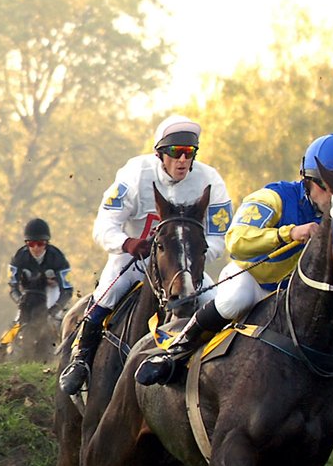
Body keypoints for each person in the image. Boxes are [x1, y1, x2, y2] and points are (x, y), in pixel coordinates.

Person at [134, 133, 333, 386]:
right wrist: (290, 233)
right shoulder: (273, 197)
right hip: (252, 281)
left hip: (293, 294)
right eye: (327, 187)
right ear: (308, 180)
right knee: (233, 301)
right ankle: (174, 352)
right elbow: (236, 241)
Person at [58, 114, 233, 395]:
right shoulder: (135, 174)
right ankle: (81, 360)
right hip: (135, 260)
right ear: (159, 153)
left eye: (189, 154)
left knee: (221, 304)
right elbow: (103, 226)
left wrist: (191, 257)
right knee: (108, 292)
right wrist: (127, 243)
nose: (183, 161)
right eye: (176, 153)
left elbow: (218, 238)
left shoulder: (210, 179)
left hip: (183, 266)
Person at [8, 217, 73, 322]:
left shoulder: (58, 258)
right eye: (31, 244)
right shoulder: (18, 257)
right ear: (26, 244)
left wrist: (54, 310)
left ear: (47, 243)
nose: (36, 248)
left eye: (40, 243)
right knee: (17, 323)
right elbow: (13, 288)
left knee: (53, 321)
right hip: (29, 293)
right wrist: (21, 302)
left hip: (52, 291)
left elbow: (67, 290)